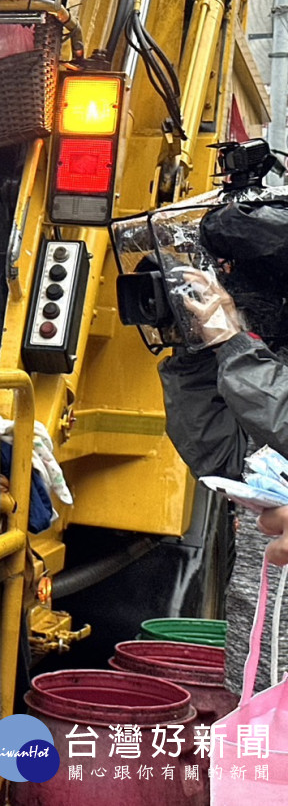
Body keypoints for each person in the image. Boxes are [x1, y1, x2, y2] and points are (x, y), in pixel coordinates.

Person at [158, 266, 288, 694]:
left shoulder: (253, 361)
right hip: (257, 669)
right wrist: (196, 351)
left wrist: (234, 346)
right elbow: (222, 462)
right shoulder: (264, 361)